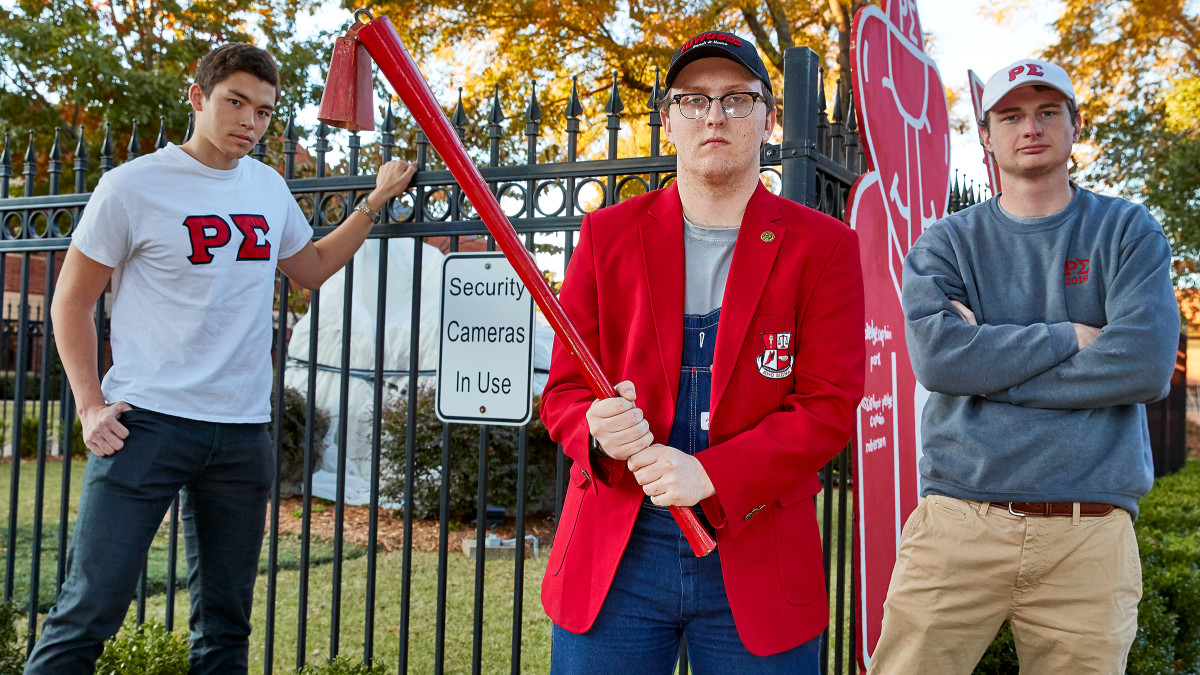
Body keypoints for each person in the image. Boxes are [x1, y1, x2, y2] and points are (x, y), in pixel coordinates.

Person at [27, 43, 416, 674]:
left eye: (263, 112)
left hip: (240, 434)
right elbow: (69, 305)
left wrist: (373, 202)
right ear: (197, 97)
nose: (250, 122)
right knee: (90, 608)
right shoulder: (131, 187)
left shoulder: (265, 185)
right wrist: (90, 404)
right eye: (235, 102)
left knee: (226, 621)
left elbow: (310, 268)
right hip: (145, 425)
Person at [539, 30, 865, 673]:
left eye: (737, 99)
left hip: (758, 545)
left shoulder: (823, 247)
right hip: (618, 552)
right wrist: (597, 432)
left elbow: (829, 405)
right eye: (693, 100)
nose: (715, 115)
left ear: (769, 120)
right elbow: (563, 395)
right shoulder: (608, 234)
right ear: (668, 122)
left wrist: (714, 475)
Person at [867, 58, 1178, 674]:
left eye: (1046, 112)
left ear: (1074, 125)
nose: (1029, 127)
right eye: (1010, 116)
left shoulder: (1126, 230)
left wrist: (991, 359)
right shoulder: (946, 244)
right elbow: (940, 361)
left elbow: (1143, 365)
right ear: (986, 136)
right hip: (959, 521)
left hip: (1088, 531)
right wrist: (1072, 336)